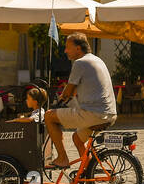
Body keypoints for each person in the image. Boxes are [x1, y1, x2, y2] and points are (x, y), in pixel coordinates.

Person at [43, 34, 117, 170]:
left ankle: (62, 158)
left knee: (48, 116)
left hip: (93, 113)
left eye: (67, 47)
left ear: (78, 48)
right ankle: (88, 171)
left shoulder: (80, 63)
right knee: (77, 138)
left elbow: (69, 92)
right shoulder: (97, 60)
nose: (65, 51)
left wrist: (62, 97)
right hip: (109, 113)